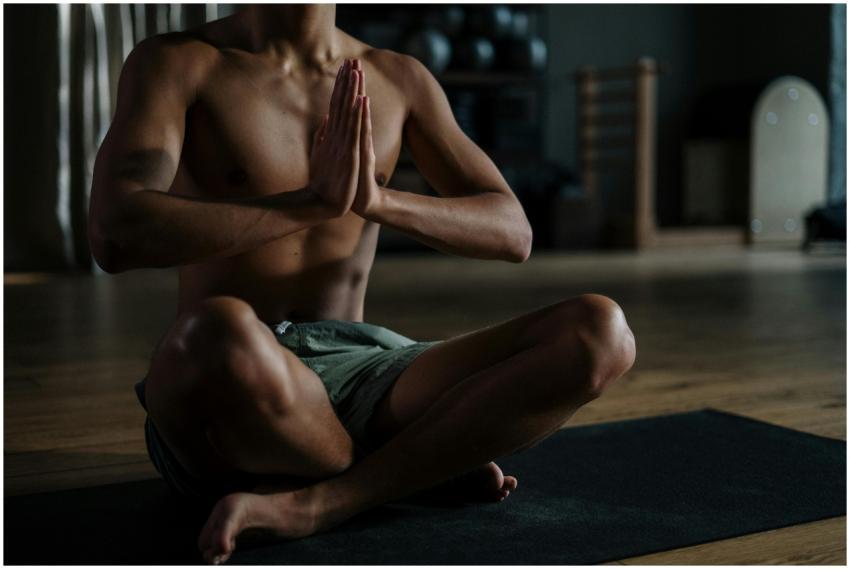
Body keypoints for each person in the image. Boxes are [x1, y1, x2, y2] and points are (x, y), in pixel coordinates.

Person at [89, 4, 636, 564]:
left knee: (599, 331)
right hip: (232, 382)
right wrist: (309, 204)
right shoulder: (178, 63)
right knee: (214, 332)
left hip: (366, 368)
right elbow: (113, 233)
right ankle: (423, 465)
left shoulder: (398, 76)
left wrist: (378, 201)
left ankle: (330, 499)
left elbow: (512, 231)